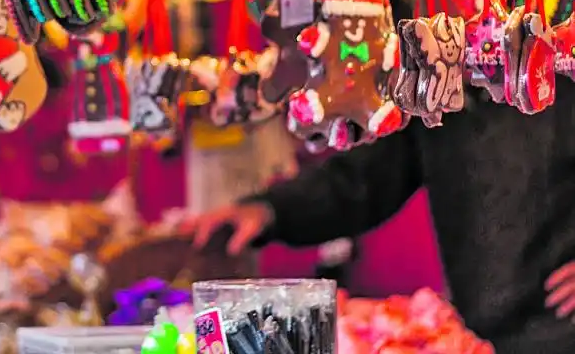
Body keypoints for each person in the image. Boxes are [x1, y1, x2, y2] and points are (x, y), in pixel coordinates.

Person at [188, 82, 575, 354]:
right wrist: (272, 209)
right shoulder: (450, 67)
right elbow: (367, 174)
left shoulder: (562, 41)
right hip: (477, 328)